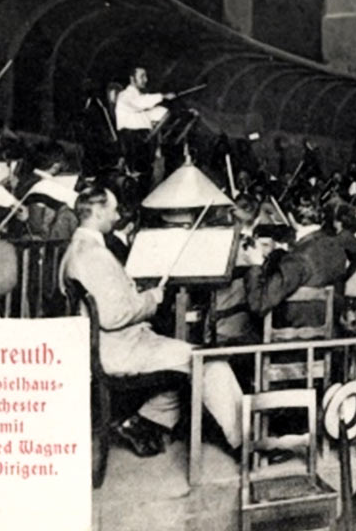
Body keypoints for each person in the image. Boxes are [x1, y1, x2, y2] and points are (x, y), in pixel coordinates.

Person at [60, 186, 242, 457]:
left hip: (111, 344)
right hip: (120, 350)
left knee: (179, 363)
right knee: (209, 361)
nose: (117, 215)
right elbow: (113, 316)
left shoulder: (75, 250)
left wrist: (136, 292)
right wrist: (151, 299)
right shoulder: (95, 255)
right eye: (113, 209)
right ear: (97, 212)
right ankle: (244, 443)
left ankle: (143, 422)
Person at [244, 192, 348, 328]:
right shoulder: (336, 246)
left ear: (291, 218)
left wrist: (256, 264)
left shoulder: (296, 260)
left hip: (297, 331)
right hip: (330, 327)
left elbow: (258, 304)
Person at [115, 67, 175, 193]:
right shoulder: (124, 96)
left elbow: (151, 111)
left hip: (144, 140)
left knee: (147, 178)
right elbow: (140, 103)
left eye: (146, 76)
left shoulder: (139, 101)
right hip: (133, 140)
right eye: (142, 76)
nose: (146, 80)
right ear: (132, 79)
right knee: (139, 179)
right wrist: (162, 96)